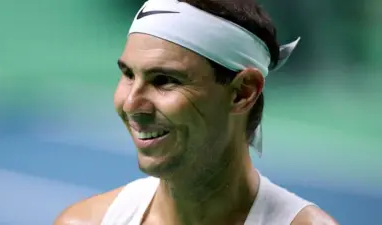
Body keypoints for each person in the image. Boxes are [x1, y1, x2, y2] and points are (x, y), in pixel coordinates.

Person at [55, 0, 339, 224]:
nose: (131, 104)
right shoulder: (82, 222)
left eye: (164, 80)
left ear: (243, 92)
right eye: (128, 74)